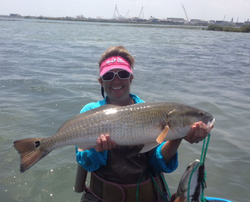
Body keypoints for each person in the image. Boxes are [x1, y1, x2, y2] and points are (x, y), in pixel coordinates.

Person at [75, 45, 210, 202]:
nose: (116, 80)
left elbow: (160, 164)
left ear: (131, 78)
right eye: (108, 76)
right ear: (101, 81)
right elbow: (86, 162)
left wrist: (177, 135)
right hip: (102, 197)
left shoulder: (152, 112)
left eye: (123, 74)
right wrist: (97, 150)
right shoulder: (91, 111)